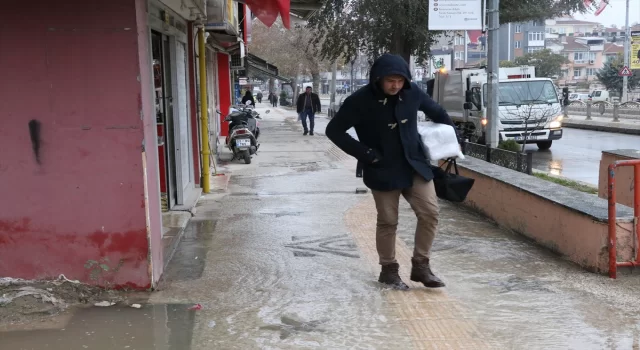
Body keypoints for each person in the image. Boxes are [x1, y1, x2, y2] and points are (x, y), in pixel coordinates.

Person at [326, 53, 458, 290]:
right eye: (390, 81)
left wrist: (450, 143)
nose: (396, 85)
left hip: (415, 165)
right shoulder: (359, 100)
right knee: (388, 221)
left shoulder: (412, 92)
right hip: (382, 169)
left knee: (430, 213)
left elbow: (438, 113)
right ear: (377, 79)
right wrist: (367, 155)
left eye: (400, 80)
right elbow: (334, 130)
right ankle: (388, 270)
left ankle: (421, 266)